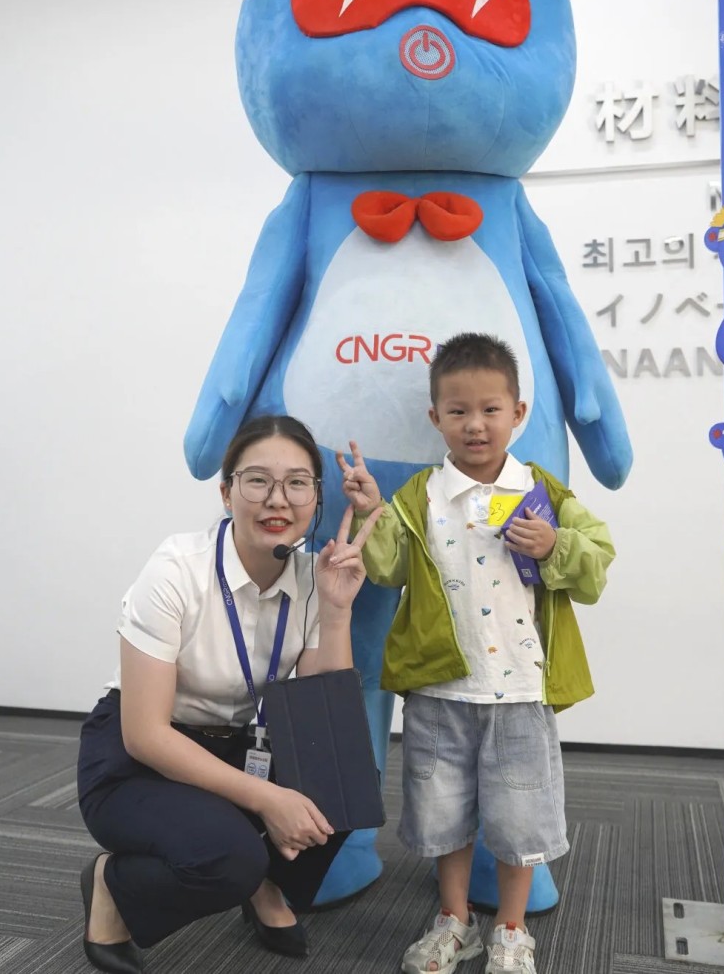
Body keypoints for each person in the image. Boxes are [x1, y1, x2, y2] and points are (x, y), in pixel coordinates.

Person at [337, 333, 615, 974]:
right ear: (435, 417)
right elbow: (389, 569)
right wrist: (374, 509)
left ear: (518, 413)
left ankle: (512, 929)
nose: (475, 424)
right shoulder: (420, 497)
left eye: (491, 409)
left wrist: (554, 546)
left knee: (521, 818)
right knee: (443, 816)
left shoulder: (544, 492)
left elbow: (597, 562)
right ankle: (453, 919)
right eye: (458, 410)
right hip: (439, 691)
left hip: (520, 689)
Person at [76, 414, 382, 974]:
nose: (277, 499)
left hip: (240, 743)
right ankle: (111, 884)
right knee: (228, 860)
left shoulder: (313, 577)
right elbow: (145, 735)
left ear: (316, 497)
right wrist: (267, 800)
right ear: (226, 493)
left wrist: (337, 611)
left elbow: (324, 718)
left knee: (345, 779)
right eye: (257, 480)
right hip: (140, 758)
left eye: (297, 483)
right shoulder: (176, 569)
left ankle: (266, 884)